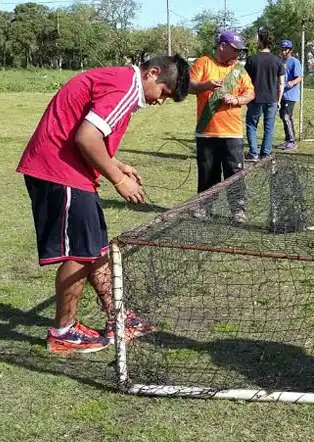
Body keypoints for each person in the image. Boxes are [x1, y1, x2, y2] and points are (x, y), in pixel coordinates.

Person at [17, 55, 190, 354]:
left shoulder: (121, 83)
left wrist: (115, 164)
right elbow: (86, 137)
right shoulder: (126, 86)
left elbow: (88, 134)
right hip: (60, 172)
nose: (161, 101)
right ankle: (63, 332)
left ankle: (118, 317)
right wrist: (118, 180)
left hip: (73, 171)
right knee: (80, 253)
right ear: (152, 73)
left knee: (95, 247)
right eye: (164, 93)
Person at [189, 30, 255, 224]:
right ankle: (204, 207)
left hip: (232, 132)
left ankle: (238, 210)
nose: (238, 54)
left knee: (235, 174)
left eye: (240, 51)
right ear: (222, 46)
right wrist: (206, 85)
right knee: (208, 173)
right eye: (235, 50)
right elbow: (190, 86)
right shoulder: (203, 62)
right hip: (207, 132)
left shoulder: (239, 70)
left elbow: (250, 94)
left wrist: (236, 99)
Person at [244, 30, 285, 160]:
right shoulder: (277, 60)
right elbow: (281, 83)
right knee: (269, 126)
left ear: (260, 42)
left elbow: (244, 80)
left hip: (255, 98)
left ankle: (253, 152)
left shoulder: (252, 59)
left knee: (251, 124)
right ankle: (265, 153)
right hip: (272, 98)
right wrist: (278, 100)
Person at [278, 40, 302, 151]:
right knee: (283, 116)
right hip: (282, 94)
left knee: (287, 116)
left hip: (291, 95)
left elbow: (300, 77)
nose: (283, 51)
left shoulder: (294, 62)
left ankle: (292, 141)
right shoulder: (280, 61)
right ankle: (287, 140)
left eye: (286, 49)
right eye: (282, 49)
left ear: (290, 50)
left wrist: (292, 82)